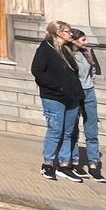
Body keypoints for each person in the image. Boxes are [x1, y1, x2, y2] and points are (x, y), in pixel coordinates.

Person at [31, 20, 85, 182]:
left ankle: (65, 164)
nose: (71, 34)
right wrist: (57, 87)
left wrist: (78, 95)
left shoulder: (67, 50)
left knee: (69, 132)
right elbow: (37, 71)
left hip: (72, 98)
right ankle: (48, 164)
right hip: (54, 97)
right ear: (59, 33)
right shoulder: (45, 49)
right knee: (55, 130)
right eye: (68, 32)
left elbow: (74, 75)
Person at [67, 28, 106, 183]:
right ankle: (75, 161)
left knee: (92, 129)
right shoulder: (68, 55)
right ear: (74, 40)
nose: (86, 42)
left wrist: (91, 84)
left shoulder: (87, 53)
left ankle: (93, 163)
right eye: (83, 40)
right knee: (73, 129)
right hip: (75, 93)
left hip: (88, 93)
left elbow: (93, 70)